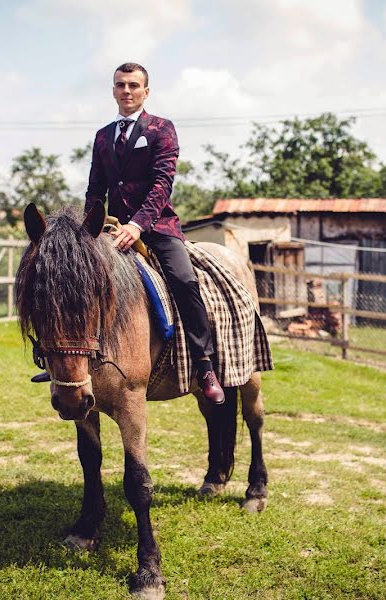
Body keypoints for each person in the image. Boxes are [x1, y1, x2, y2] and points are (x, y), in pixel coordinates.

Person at [85, 62, 225, 404]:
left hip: (157, 226)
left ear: (146, 91)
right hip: (113, 228)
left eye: (134, 85)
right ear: (113, 90)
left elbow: (163, 183)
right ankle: (71, 360)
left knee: (184, 280)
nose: (127, 91)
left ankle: (204, 364)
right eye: (121, 85)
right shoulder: (103, 136)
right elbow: (95, 189)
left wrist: (138, 225)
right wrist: (86, 231)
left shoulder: (162, 129)